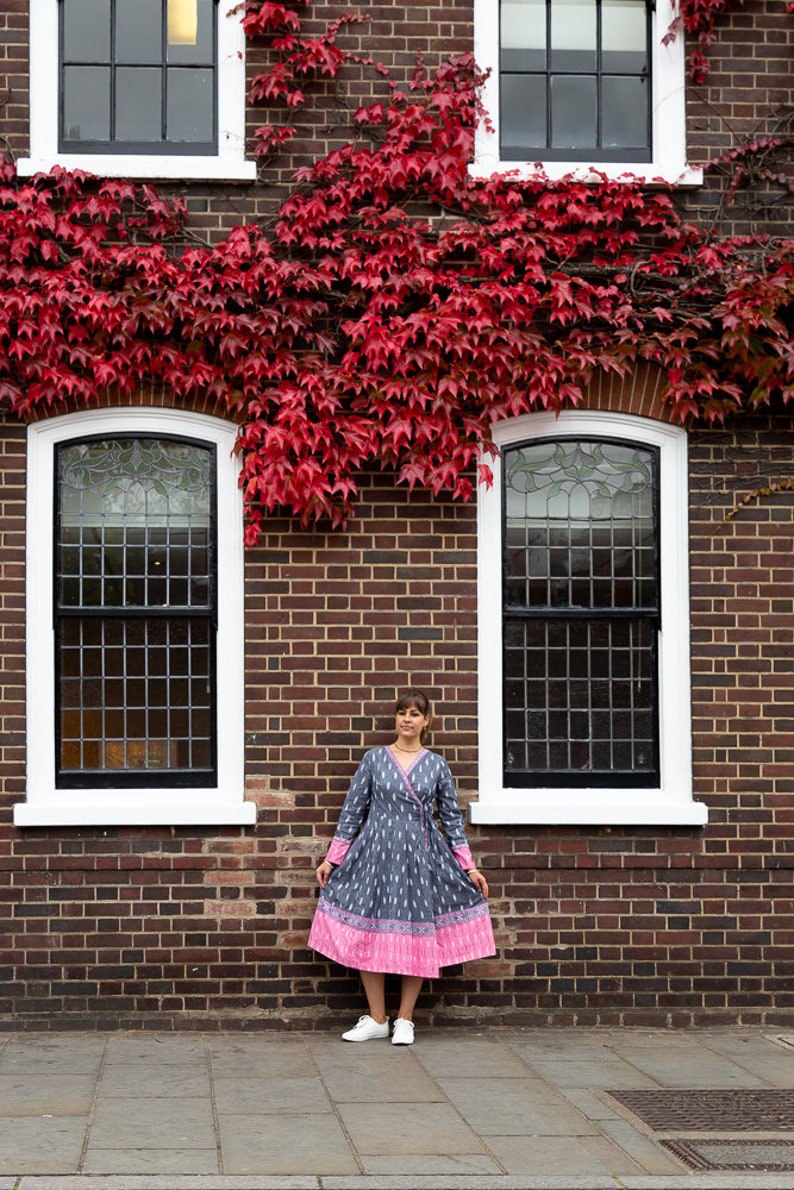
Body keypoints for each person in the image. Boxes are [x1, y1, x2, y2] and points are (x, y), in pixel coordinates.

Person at [309, 690, 495, 1045]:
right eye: (401, 712)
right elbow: (353, 810)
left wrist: (468, 867)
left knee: (417, 934)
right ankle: (377, 1018)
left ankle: (405, 1019)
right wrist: (333, 857)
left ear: (426, 721)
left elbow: (451, 819)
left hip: (421, 859)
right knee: (368, 930)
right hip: (374, 856)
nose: (407, 719)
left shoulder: (437, 765)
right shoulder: (375, 760)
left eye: (414, 713)